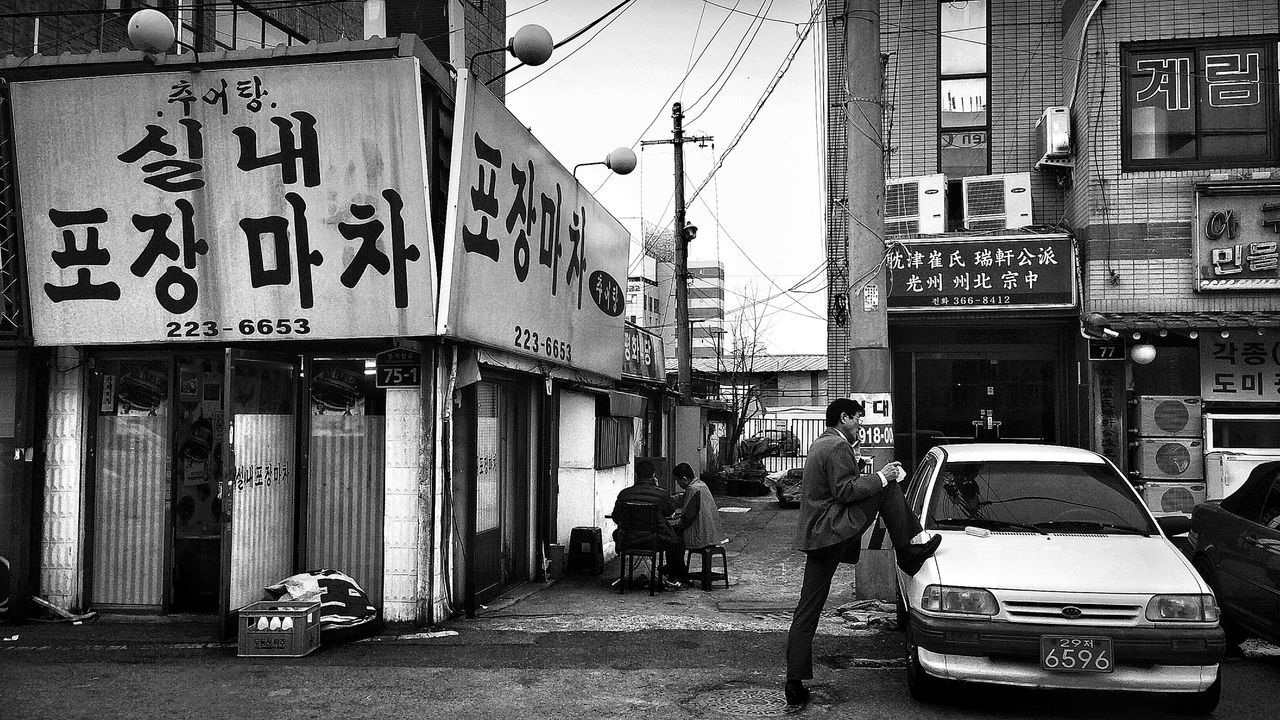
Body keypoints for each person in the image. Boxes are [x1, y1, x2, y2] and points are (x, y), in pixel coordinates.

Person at [783, 398, 942, 706]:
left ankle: (794, 681)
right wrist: (882, 476)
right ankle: (908, 551)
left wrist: (873, 475)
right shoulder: (838, 447)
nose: (861, 425)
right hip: (831, 530)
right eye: (858, 419)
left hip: (819, 535)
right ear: (844, 418)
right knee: (888, 486)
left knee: (807, 608)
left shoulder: (822, 442)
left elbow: (839, 485)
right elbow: (845, 491)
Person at [612, 460, 688, 589]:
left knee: (616, 533)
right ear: (653, 475)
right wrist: (657, 488)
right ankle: (673, 577)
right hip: (655, 540)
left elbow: (616, 517)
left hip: (628, 539)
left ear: (636, 475)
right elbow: (671, 511)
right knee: (676, 540)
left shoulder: (624, 494)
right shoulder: (661, 494)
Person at [673, 462, 724, 565]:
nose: (678, 483)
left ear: (684, 479)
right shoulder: (701, 485)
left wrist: (676, 527)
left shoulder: (692, 489)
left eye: (678, 481)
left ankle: (677, 573)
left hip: (701, 536)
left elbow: (688, 517)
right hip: (710, 534)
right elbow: (684, 499)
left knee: (673, 540)